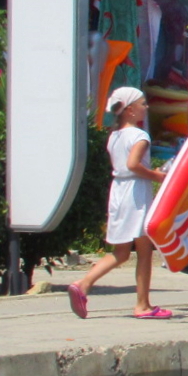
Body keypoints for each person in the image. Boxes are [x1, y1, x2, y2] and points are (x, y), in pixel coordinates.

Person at [65, 87, 171, 320]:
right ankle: (142, 304)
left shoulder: (114, 136)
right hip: (136, 193)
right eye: (143, 104)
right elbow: (133, 164)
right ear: (130, 110)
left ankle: (84, 284)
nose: (146, 107)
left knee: (121, 251)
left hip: (119, 190)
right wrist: (157, 176)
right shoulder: (139, 136)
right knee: (144, 250)